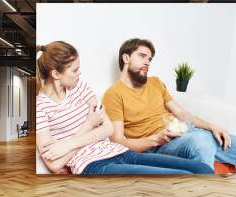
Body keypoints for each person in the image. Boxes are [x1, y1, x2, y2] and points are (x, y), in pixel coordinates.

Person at [35, 41, 214, 175]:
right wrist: (90, 126)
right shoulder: (41, 108)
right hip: (94, 165)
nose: (79, 73)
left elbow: (107, 128)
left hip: (120, 152)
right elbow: (55, 164)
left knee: (201, 169)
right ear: (56, 74)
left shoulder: (80, 86)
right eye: (75, 70)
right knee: (182, 177)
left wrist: (71, 142)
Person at [102, 38, 236, 172]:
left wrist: (212, 127)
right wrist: (156, 139)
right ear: (126, 57)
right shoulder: (113, 94)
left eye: (150, 59)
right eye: (142, 56)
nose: (148, 62)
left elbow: (182, 114)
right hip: (157, 146)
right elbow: (118, 142)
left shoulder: (155, 82)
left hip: (185, 133)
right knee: (201, 140)